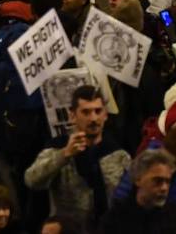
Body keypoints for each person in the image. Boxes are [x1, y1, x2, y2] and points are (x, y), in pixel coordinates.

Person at [25, 84, 131, 228]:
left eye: (98, 111)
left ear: (105, 115)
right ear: (73, 115)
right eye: (86, 112)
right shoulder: (57, 148)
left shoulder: (118, 154)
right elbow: (32, 180)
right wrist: (64, 155)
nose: (93, 118)